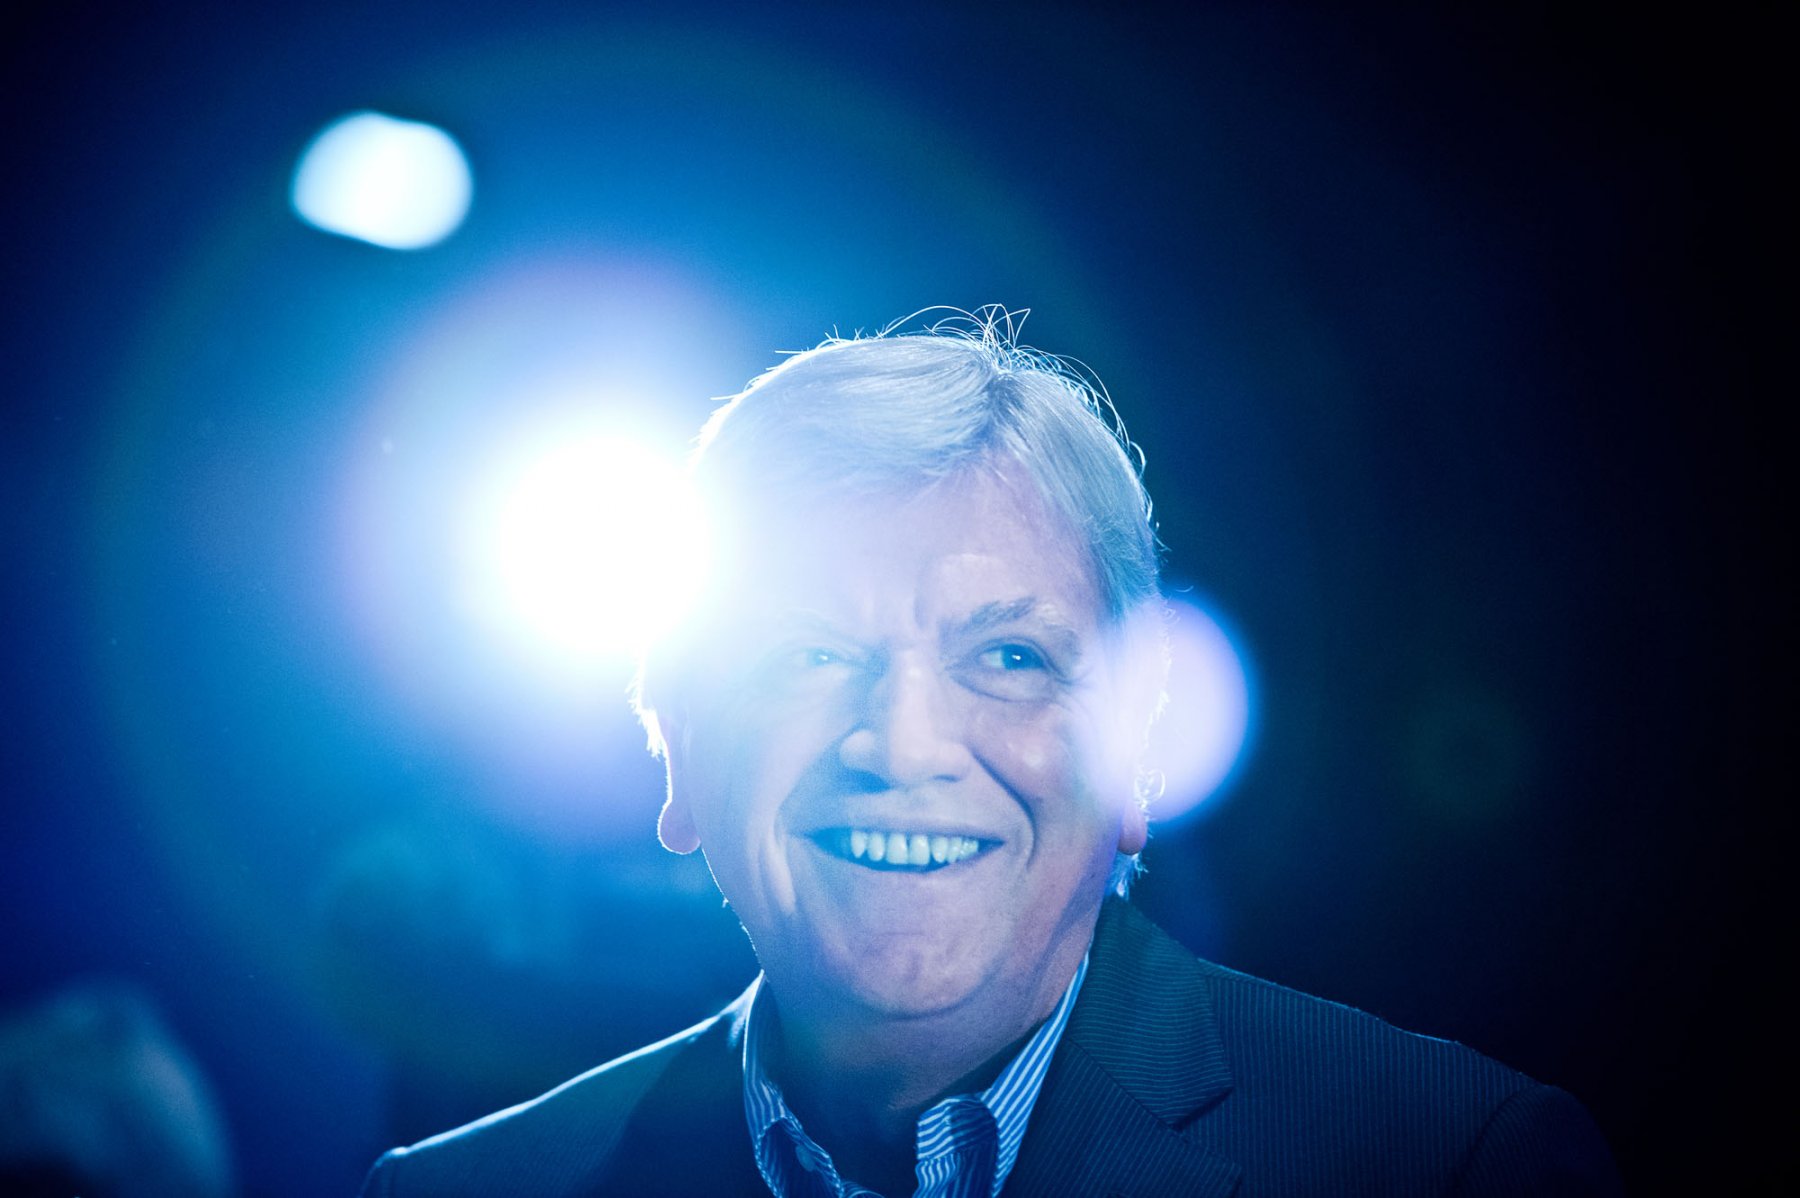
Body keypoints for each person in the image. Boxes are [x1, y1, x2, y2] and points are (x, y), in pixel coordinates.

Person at [360, 311, 1619, 1196]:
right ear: (677, 748)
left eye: (1008, 657)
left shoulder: (1452, 1164)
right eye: (805, 654)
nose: (902, 744)